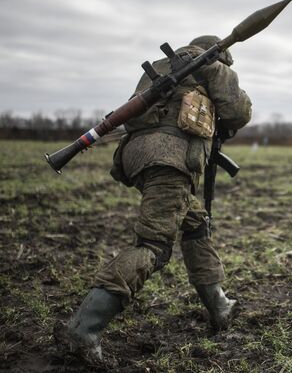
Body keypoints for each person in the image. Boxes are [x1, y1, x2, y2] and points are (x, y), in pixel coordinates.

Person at [55, 35, 252, 363]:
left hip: (136, 156)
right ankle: (84, 328)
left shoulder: (162, 66)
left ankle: (219, 304)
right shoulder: (215, 66)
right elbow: (239, 112)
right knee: (154, 246)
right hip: (170, 160)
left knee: (194, 224)